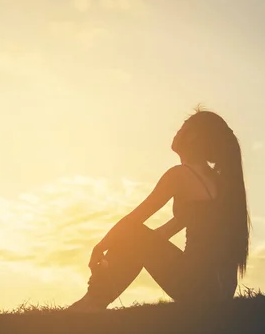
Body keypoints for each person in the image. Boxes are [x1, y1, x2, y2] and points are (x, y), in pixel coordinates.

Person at [68, 109, 251, 312]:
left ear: (192, 136)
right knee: (134, 239)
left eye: (183, 127)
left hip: (200, 287)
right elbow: (161, 235)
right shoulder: (216, 181)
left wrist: (100, 247)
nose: (177, 132)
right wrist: (126, 251)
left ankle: (92, 304)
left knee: (131, 233)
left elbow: (133, 220)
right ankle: (92, 301)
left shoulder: (180, 174)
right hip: (220, 291)